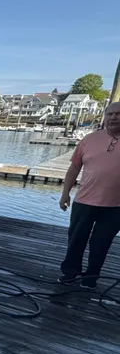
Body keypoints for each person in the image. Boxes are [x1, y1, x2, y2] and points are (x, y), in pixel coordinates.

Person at [59, 101, 120, 288]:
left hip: (115, 206)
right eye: (110, 114)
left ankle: (91, 277)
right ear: (105, 117)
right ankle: (70, 273)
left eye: (118, 114)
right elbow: (74, 168)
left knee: (101, 243)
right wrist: (65, 194)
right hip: (84, 201)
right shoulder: (89, 139)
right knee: (76, 238)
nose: (114, 117)